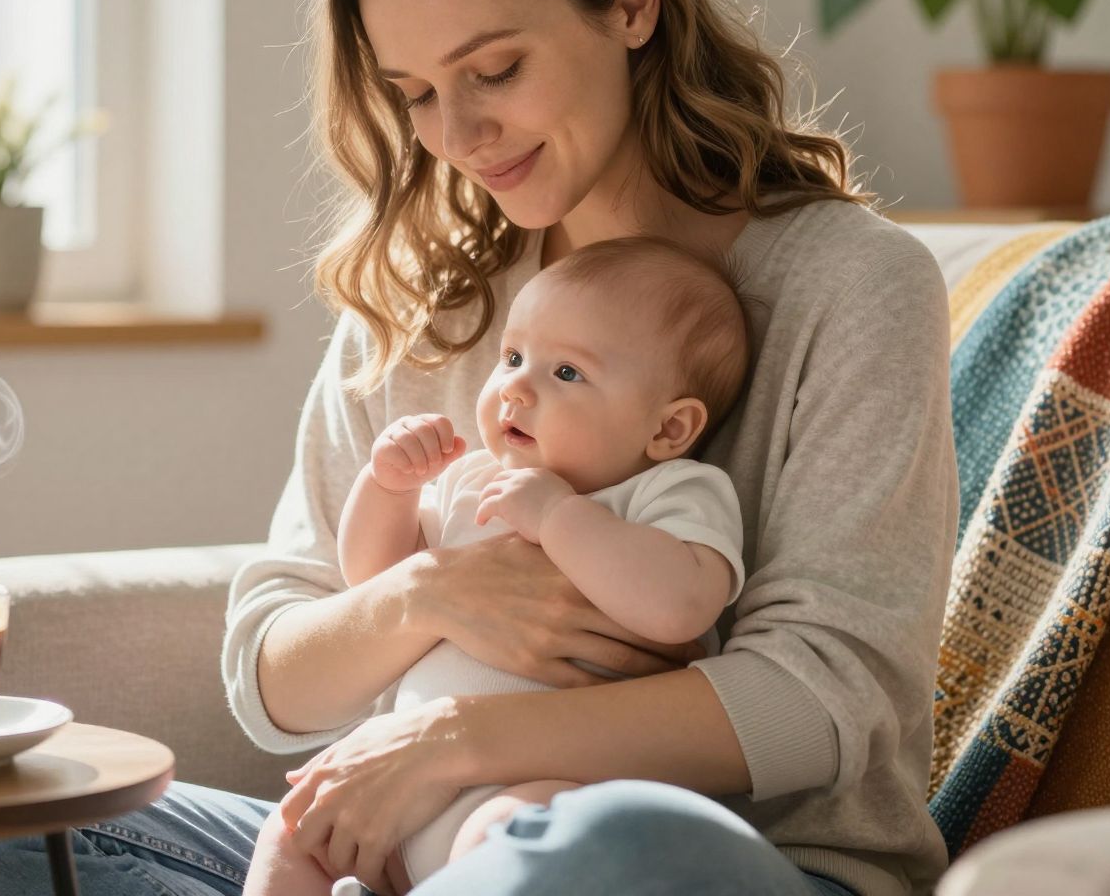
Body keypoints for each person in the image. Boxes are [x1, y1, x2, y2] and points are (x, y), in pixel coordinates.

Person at [0, 0, 958, 896]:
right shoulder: (429, 294)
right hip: (410, 855)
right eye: (415, 95)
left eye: (494, 70)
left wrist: (452, 743)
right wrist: (427, 597)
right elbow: (269, 675)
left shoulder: (848, 284)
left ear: (630, 5)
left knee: (599, 854)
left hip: (713, 865)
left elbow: (828, 701)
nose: (457, 135)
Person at [246, 236, 753, 895]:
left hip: (543, 787)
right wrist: (389, 489)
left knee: (519, 838)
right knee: (291, 833)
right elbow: (372, 578)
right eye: (513, 357)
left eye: (565, 373)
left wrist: (558, 518)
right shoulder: (476, 480)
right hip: (393, 796)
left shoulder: (668, 492)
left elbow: (679, 606)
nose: (515, 386)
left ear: (669, 430)